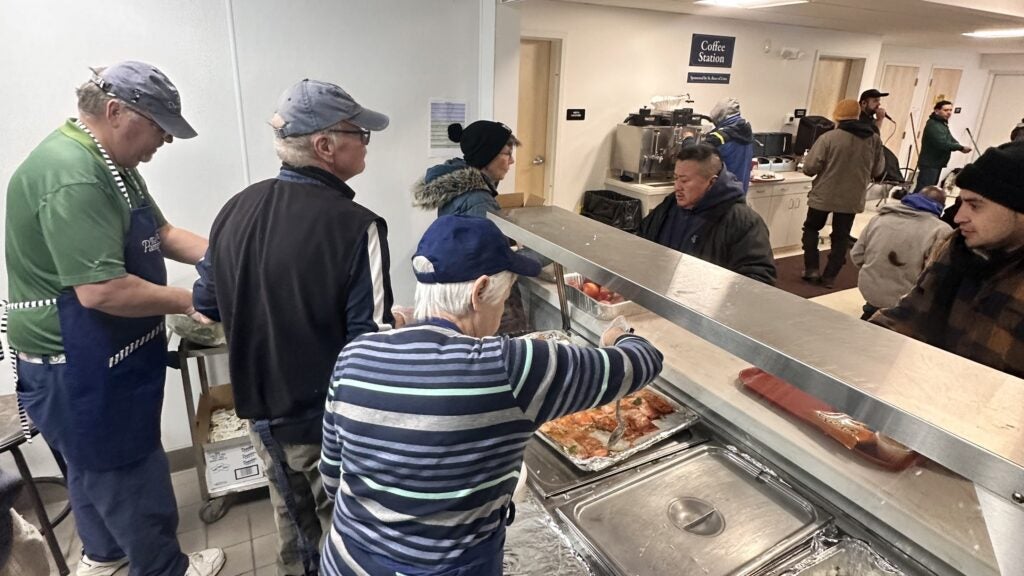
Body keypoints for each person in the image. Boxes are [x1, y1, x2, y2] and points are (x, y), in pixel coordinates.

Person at [319, 215, 665, 576]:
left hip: (347, 560)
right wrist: (620, 337)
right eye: (507, 293)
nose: (503, 309)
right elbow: (642, 363)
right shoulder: (508, 367)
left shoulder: (356, 353)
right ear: (479, 291)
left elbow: (332, 477)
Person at [4, 61, 223, 576]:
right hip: (75, 360)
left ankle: (103, 556)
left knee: (91, 467)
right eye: (160, 127)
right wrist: (193, 300)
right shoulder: (73, 175)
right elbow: (101, 290)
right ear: (116, 111)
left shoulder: (113, 165)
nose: (166, 141)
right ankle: (166, 568)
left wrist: (231, 258)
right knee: (127, 470)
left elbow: (163, 234)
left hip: (102, 352)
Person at [192, 79, 395, 576]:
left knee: (294, 523)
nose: (366, 141)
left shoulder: (234, 209)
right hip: (325, 421)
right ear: (325, 146)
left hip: (261, 415)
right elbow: (369, 347)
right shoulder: (357, 226)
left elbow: (207, 305)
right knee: (346, 532)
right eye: (359, 133)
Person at [871, 141, 1024, 378]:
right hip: (928, 393)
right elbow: (911, 316)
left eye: (975, 205)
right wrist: (858, 345)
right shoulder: (959, 247)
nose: (960, 216)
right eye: (962, 202)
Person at [412, 120, 536, 333]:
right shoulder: (478, 200)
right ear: (486, 157)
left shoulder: (461, 189)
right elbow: (492, 263)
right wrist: (541, 255)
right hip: (485, 306)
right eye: (507, 154)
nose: (512, 161)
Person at [638, 144, 776, 285]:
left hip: (704, 304)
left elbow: (759, 280)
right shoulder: (670, 206)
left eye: (684, 180)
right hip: (660, 298)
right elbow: (641, 243)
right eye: (676, 178)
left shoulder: (744, 222)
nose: (677, 186)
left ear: (712, 182)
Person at [801, 99, 886, 288]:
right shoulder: (874, 139)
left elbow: (810, 168)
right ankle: (830, 276)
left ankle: (811, 269)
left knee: (811, 229)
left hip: (823, 195)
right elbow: (878, 170)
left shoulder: (829, 138)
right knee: (841, 237)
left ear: (837, 116)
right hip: (852, 198)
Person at [851, 186, 952, 320]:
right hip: (907, 301)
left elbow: (856, 254)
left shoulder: (880, 219)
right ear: (941, 207)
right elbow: (934, 277)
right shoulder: (941, 231)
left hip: (870, 290)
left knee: (868, 321)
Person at [681, 97, 754, 192]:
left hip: (721, 196)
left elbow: (693, 156)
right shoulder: (746, 133)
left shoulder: (719, 138)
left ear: (720, 116)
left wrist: (688, 138)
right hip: (739, 193)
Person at [914, 100, 972, 193]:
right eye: (946, 110)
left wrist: (959, 146)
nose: (949, 113)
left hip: (937, 163)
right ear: (937, 111)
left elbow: (949, 138)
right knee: (923, 190)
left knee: (928, 190)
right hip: (930, 163)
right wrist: (960, 148)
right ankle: (912, 206)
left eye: (950, 110)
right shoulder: (933, 125)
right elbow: (942, 143)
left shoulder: (942, 124)